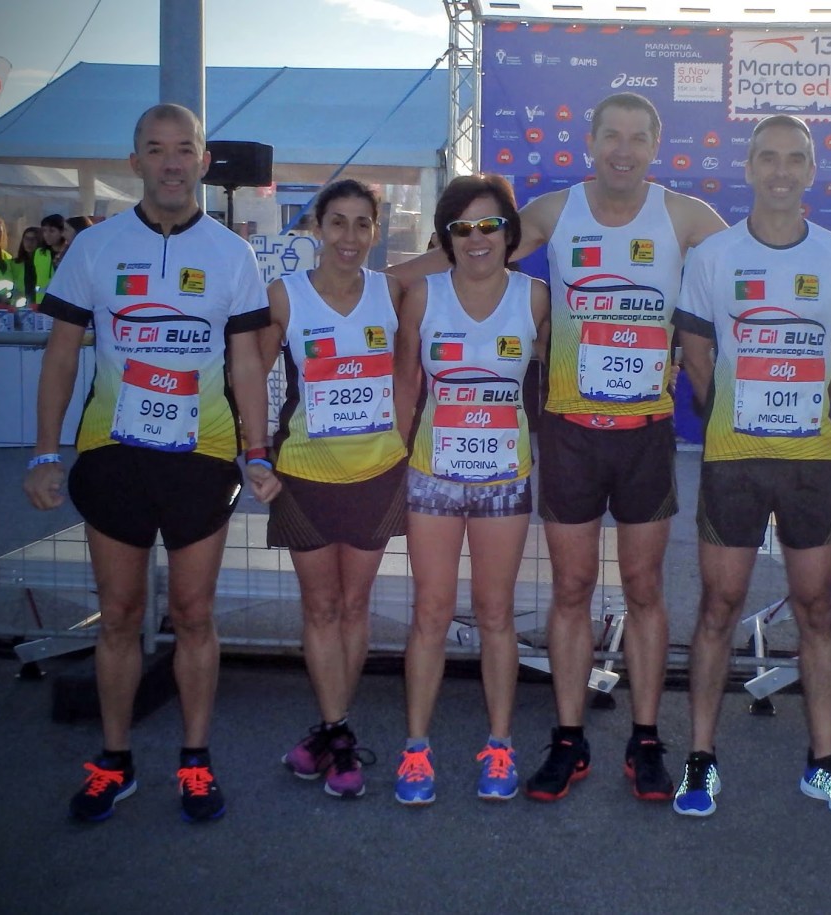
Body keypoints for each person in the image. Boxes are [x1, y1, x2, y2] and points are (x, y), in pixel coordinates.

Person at [391, 92, 726, 803]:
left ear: (656, 146)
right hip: (571, 433)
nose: (623, 150)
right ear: (590, 142)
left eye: (637, 138)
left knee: (643, 590)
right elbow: (472, 248)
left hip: (645, 434)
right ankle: (568, 739)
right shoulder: (554, 211)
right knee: (571, 589)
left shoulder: (685, 216)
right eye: (612, 136)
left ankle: (645, 739)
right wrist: (371, 283)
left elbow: (743, 275)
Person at [23, 103, 278, 823]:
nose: (171, 162)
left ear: (203, 161)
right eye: (156, 149)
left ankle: (195, 761)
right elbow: (62, 355)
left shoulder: (232, 254)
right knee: (119, 615)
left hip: (202, 458)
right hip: (114, 456)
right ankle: (115, 761)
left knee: (194, 615)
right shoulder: (95, 246)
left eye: (184, 149)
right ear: (134, 161)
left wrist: (257, 452)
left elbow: (247, 363)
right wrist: (44, 452)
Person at [671, 115, 831, 819]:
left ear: (811, 170)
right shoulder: (715, 255)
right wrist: (727, 410)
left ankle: (823, 762)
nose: (781, 171)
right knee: (718, 606)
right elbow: (696, 350)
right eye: (768, 157)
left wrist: (804, 403)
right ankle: (701, 757)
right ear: (749, 167)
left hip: (809, 460)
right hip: (732, 458)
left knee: (816, 608)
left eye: (794, 159)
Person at [391, 174, 550, 806]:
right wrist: (392, 458)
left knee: (494, 613)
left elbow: (559, 377)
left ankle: (500, 744)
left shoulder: (534, 298)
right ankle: (416, 750)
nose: (477, 238)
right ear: (446, 237)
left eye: (490, 225)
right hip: (433, 476)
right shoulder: (422, 296)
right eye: (462, 228)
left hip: (503, 480)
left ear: (509, 233)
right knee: (430, 612)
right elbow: (406, 385)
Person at [263, 180, 409, 800]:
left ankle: (333, 729)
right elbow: (247, 373)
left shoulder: (392, 290)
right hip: (304, 475)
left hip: (377, 474)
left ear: (376, 231)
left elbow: (460, 258)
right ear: (317, 228)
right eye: (338, 222)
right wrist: (254, 454)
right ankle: (339, 732)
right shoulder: (285, 295)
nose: (350, 237)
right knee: (321, 607)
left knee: (355, 605)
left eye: (362, 224)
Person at [12, 226, 43, 308]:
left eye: (33, 239)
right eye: (26, 239)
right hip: (19, 306)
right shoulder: (14, 263)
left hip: (39, 305)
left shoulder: (44, 264)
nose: (29, 243)